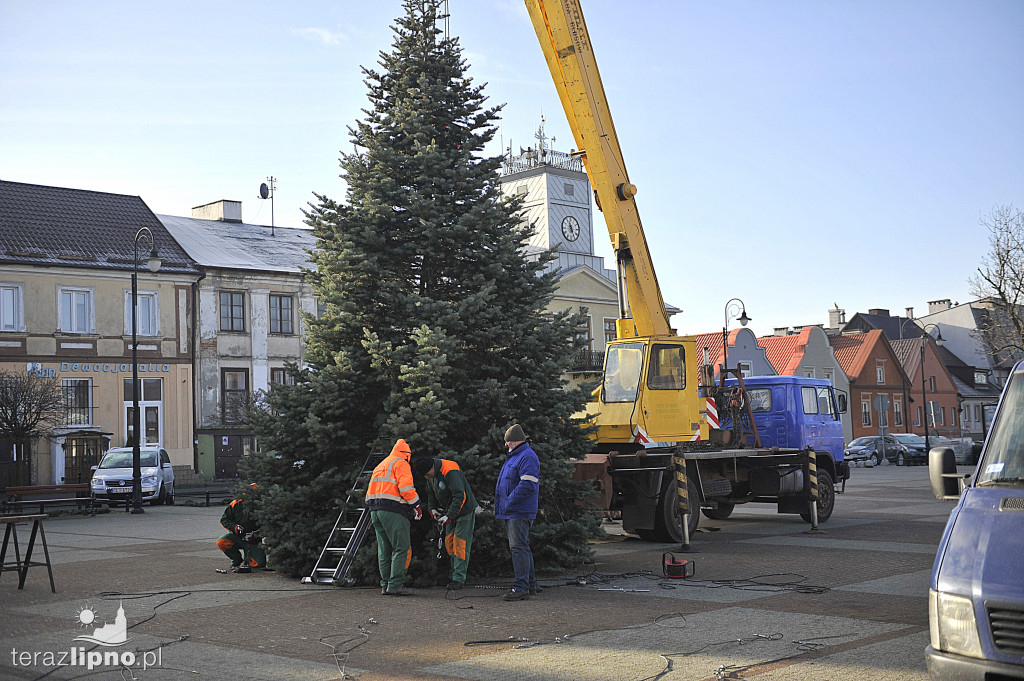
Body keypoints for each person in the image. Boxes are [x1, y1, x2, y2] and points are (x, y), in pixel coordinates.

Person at [366, 438, 423, 596]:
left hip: (375, 510)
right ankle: (396, 585)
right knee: (401, 547)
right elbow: (406, 488)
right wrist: (417, 505)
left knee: (384, 549)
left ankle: (385, 585)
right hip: (393, 510)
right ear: (407, 455)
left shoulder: (382, 464)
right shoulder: (401, 463)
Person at [413, 456, 478, 590]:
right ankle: (453, 574)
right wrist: (432, 508)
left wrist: (449, 515)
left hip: (464, 512)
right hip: (451, 513)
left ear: (432, 468)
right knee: (449, 543)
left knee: (460, 544)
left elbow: (460, 495)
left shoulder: (450, 471)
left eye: (427, 474)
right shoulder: (431, 476)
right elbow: (430, 493)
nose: (426, 478)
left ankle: (458, 578)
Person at [494, 423, 541, 601]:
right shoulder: (517, 456)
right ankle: (530, 585)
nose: (506, 445)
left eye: (508, 441)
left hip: (518, 510)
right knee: (522, 547)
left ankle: (521, 587)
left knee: (518, 548)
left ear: (515, 441)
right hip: (515, 509)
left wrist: (509, 501)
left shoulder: (526, 457)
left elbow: (528, 484)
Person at [216, 483, 269, 573]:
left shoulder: (262, 506)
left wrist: (255, 535)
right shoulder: (236, 504)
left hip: (254, 541)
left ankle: (248, 558)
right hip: (237, 537)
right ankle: (236, 560)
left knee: (259, 564)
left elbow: (268, 526)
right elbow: (224, 520)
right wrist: (235, 527)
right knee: (221, 542)